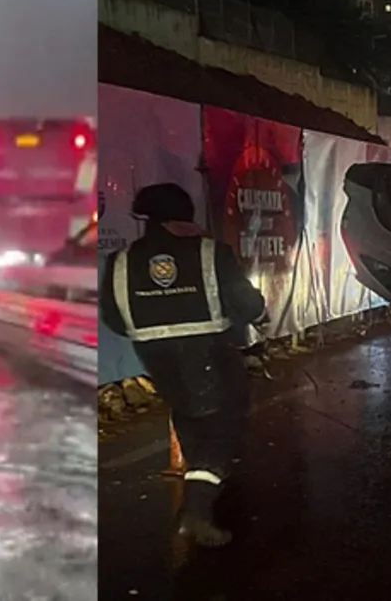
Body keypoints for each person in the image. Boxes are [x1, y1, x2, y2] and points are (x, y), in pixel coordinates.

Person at [100, 183, 266, 547]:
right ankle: (197, 512)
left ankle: (203, 485)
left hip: (154, 354)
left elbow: (112, 317)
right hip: (208, 350)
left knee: (190, 415)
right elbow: (245, 302)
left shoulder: (120, 261)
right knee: (223, 423)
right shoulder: (210, 252)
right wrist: (260, 313)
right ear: (181, 218)